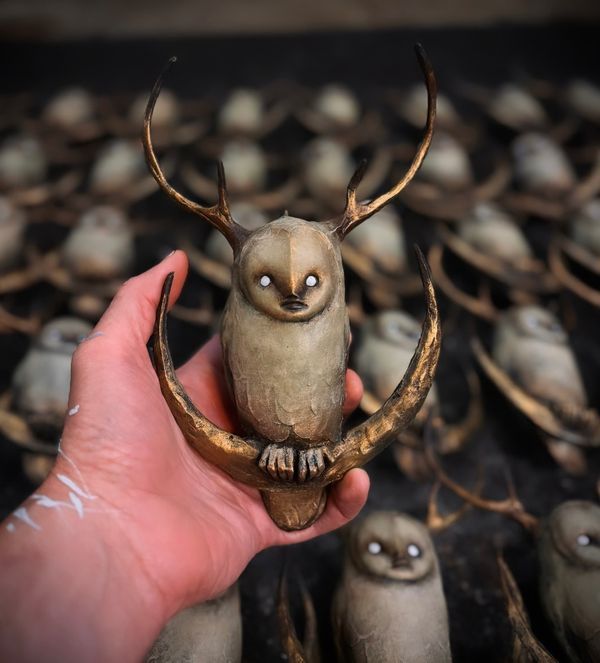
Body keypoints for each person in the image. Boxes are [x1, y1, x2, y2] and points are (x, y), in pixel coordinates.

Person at [0, 250, 369, 662]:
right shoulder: (237, 325)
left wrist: (102, 518)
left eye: (312, 282)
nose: (292, 295)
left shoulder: (332, 325)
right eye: (267, 281)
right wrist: (106, 509)